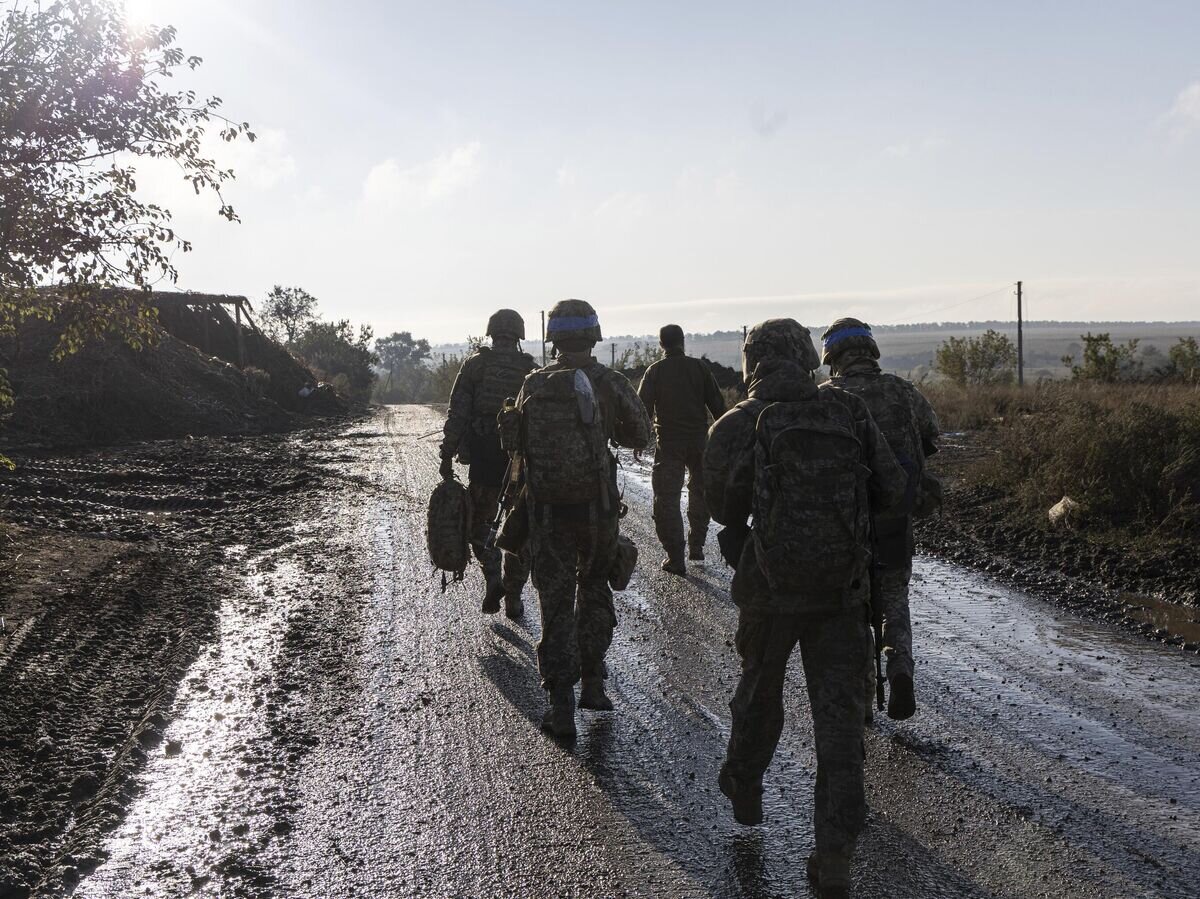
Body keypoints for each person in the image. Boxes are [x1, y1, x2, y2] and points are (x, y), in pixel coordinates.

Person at [705, 319, 906, 899]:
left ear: (752, 362)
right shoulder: (846, 412)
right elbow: (893, 489)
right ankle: (835, 856)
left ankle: (745, 784)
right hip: (843, 594)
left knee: (759, 692)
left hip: (768, 593)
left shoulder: (737, 423)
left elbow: (720, 506)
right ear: (805, 358)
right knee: (840, 726)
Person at [513, 299, 651, 739]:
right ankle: (593, 681)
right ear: (593, 335)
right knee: (593, 588)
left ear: (553, 337)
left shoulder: (533, 383)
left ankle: (561, 708)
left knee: (554, 607)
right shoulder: (608, 381)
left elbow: (515, 446)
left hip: (548, 512)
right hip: (598, 511)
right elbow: (642, 434)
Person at [821, 317, 940, 721]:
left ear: (832, 357)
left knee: (853, 607)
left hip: (844, 523)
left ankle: (862, 691)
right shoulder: (902, 391)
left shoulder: (825, 399)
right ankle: (900, 666)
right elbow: (930, 436)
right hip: (894, 516)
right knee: (894, 598)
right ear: (870, 351)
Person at [439, 309, 537, 618]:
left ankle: (493, 575)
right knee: (519, 528)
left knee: (480, 523)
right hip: (520, 459)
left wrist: (446, 453)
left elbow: (458, 414)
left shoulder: (475, 366)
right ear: (519, 335)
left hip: (484, 455)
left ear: (491, 333)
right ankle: (514, 597)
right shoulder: (530, 371)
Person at [637, 324, 727, 574]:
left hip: (668, 444)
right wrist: (725, 442)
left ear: (661, 344)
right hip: (700, 441)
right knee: (700, 492)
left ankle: (675, 558)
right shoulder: (699, 368)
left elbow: (641, 410)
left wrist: (638, 440)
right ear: (682, 342)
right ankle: (696, 545)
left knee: (667, 499)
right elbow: (718, 407)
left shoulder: (654, 371)